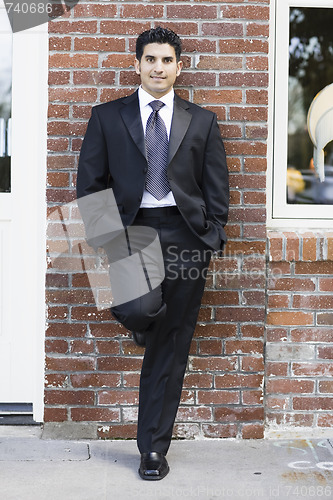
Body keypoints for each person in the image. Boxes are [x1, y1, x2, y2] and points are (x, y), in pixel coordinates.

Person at [76, 26, 229, 481]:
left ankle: (153, 449)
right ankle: (145, 321)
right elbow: (90, 186)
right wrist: (109, 244)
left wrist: (212, 236)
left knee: (173, 344)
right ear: (137, 64)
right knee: (142, 310)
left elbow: (217, 187)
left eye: (167, 60)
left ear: (179, 66)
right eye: (150, 59)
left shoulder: (201, 120)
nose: (158, 68)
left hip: (185, 234)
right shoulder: (107, 117)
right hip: (134, 231)